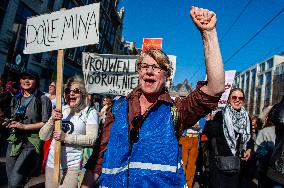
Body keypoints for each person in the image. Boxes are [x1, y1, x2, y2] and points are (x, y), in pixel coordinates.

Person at [82, 6, 224, 188]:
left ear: (166, 76)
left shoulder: (176, 110)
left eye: (157, 67)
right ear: (139, 72)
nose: (149, 71)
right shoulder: (117, 108)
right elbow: (100, 155)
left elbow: (215, 87)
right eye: (144, 66)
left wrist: (208, 33)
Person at [39, 75, 99, 188]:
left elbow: (92, 139)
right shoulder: (61, 109)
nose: (71, 93)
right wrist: (52, 120)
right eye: (67, 91)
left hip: (73, 166)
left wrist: (66, 137)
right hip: (52, 164)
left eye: (76, 91)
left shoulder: (89, 112)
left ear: (83, 94)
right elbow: (42, 136)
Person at [5, 70, 52, 187]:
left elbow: (46, 123)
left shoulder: (43, 99)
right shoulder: (16, 97)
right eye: (23, 78)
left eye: (30, 78)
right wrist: (8, 122)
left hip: (31, 142)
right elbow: (13, 117)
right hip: (14, 140)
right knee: (11, 179)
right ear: (20, 81)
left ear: (36, 81)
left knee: (14, 182)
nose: (26, 81)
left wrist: (25, 126)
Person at [204, 88, 253, 188]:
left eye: (240, 98)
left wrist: (249, 148)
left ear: (243, 101)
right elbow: (210, 133)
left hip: (238, 163)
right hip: (220, 162)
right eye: (234, 97)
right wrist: (209, 121)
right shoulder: (220, 114)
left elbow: (249, 137)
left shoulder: (246, 117)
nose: (237, 100)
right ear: (229, 100)